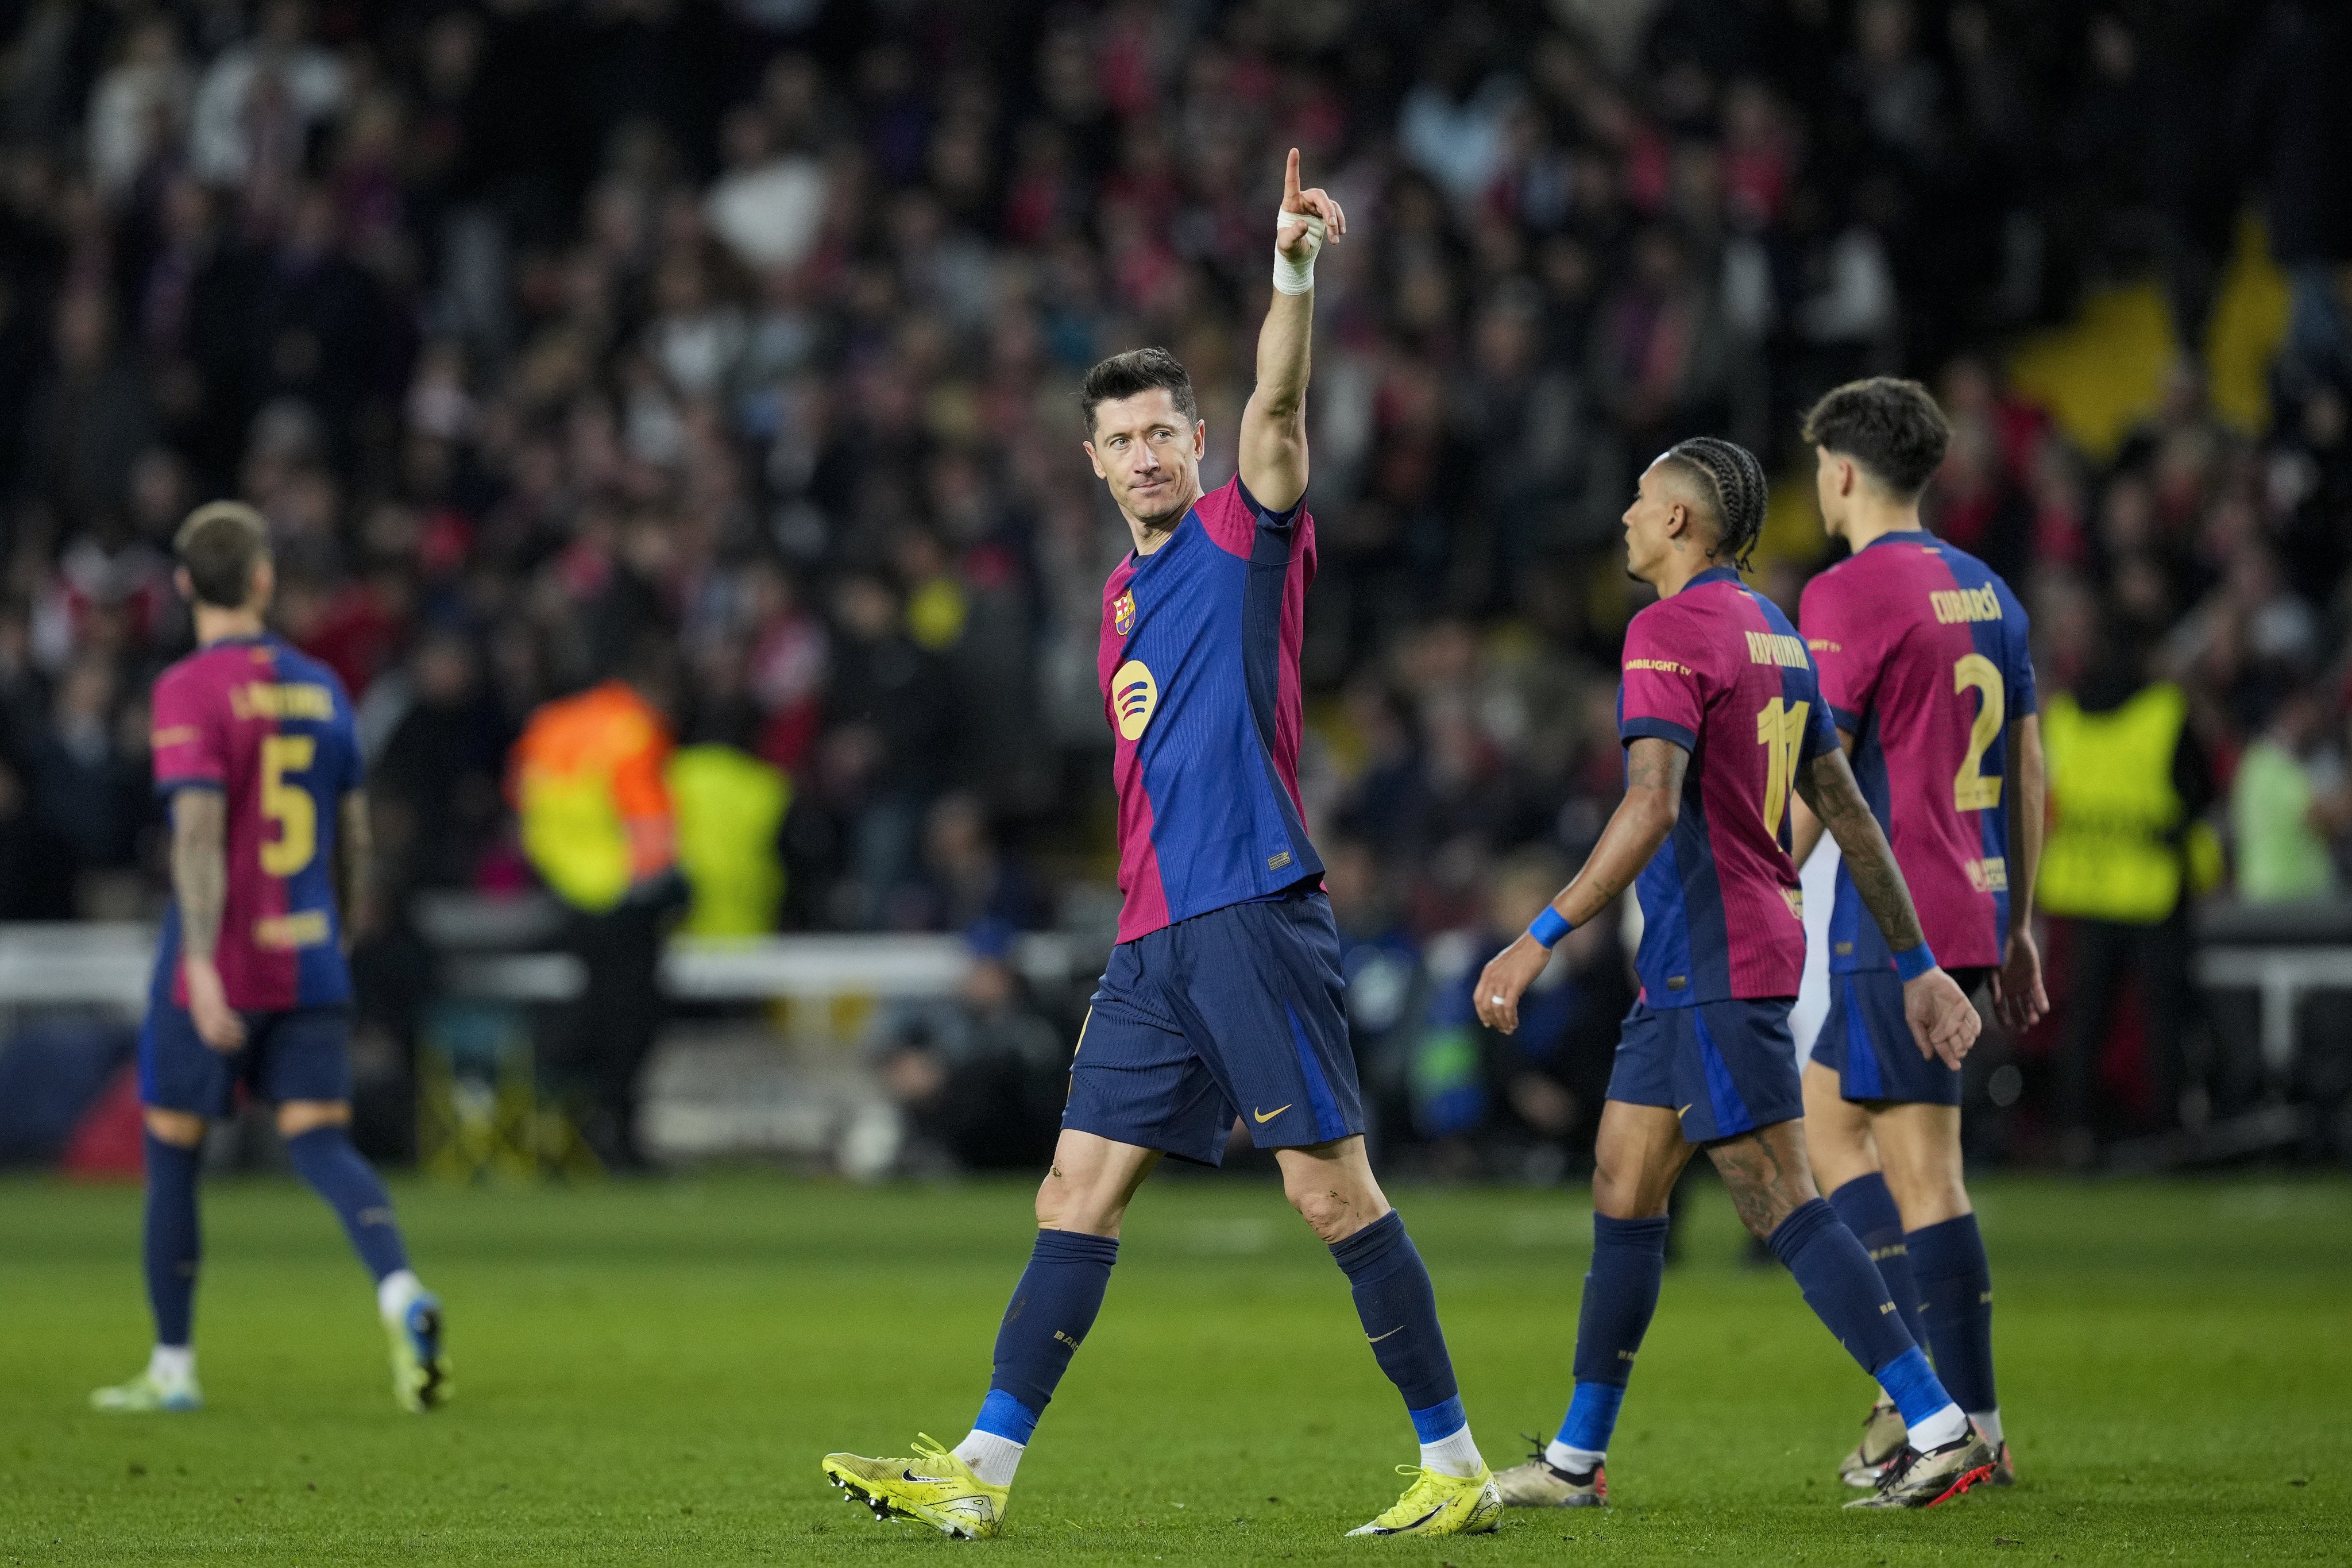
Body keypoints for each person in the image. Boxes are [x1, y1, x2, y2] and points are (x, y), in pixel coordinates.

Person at [822, 153, 1504, 1542]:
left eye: (1160, 433)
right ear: (1091, 462)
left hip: (1250, 911)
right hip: (1152, 938)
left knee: (1329, 1195)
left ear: (1196, 443)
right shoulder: (1119, 603)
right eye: (1119, 439)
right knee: (1074, 1189)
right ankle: (982, 1474)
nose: (1143, 454)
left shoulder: (1244, 536)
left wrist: (1292, 274)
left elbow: (1283, 401)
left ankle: (1456, 1462)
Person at [1473, 437, 1996, 1513]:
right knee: (1623, 1181)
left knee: (1779, 1198)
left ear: (1679, 523)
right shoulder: (1778, 633)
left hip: (1721, 960)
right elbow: (1847, 814)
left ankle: (1940, 1426)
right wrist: (1918, 962)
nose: (1623, 514)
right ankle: (1577, 1459)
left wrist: (1539, 934)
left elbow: (1652, 803)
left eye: (1639, 499)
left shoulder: (1666, 631)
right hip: (1695, 964)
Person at [91, 501, 449, 1415]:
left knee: (173, 1150)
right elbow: (356, 833)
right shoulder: (324, 686)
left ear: (183, 586)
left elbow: (200, 833)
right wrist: (341, 920)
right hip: (311, 947)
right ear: (262, 581)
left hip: (220, 955)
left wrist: (203, 967)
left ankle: (173, 1366)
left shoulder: (188, 690)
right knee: (321, 1141)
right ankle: (400, 1291)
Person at [1783, 377, 2044, 1492]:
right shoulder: (1988, 592)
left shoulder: (1846, 595)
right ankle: (1916, 1399)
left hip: (1899, 920)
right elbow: (2028, 770)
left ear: (1841, 470)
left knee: (1922, 1170)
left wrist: (1760, 881)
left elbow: (1817, 771)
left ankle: (1964, 1424)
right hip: (1973, 902)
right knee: (1826, 1125)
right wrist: (2020, 922)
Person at [508, 638, 687, 1171]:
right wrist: (664, 889)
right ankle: (615, 1136)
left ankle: (565, 1125)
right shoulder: (634, 730)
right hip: (623, 899)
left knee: (588, 1014)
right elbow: (650, 824)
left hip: (562, 893)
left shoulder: (551, 724)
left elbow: (523, 801)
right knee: (629, 1026)